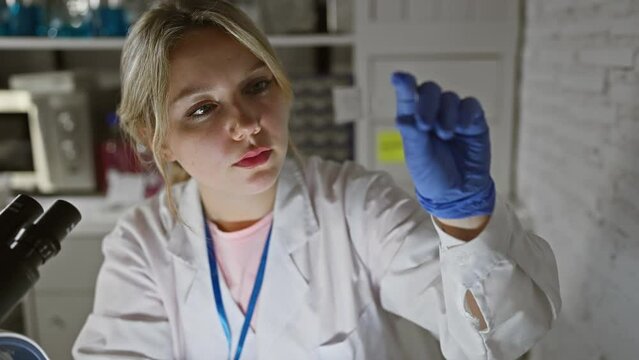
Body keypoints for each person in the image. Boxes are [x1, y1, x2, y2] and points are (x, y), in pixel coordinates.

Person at [72, 0, 561, 359]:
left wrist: (466, 220)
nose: (246, 122)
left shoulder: (356, 207)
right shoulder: (140, 245)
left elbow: (498, 340)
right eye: (202, 109)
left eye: (256, 85)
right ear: (156, 138)